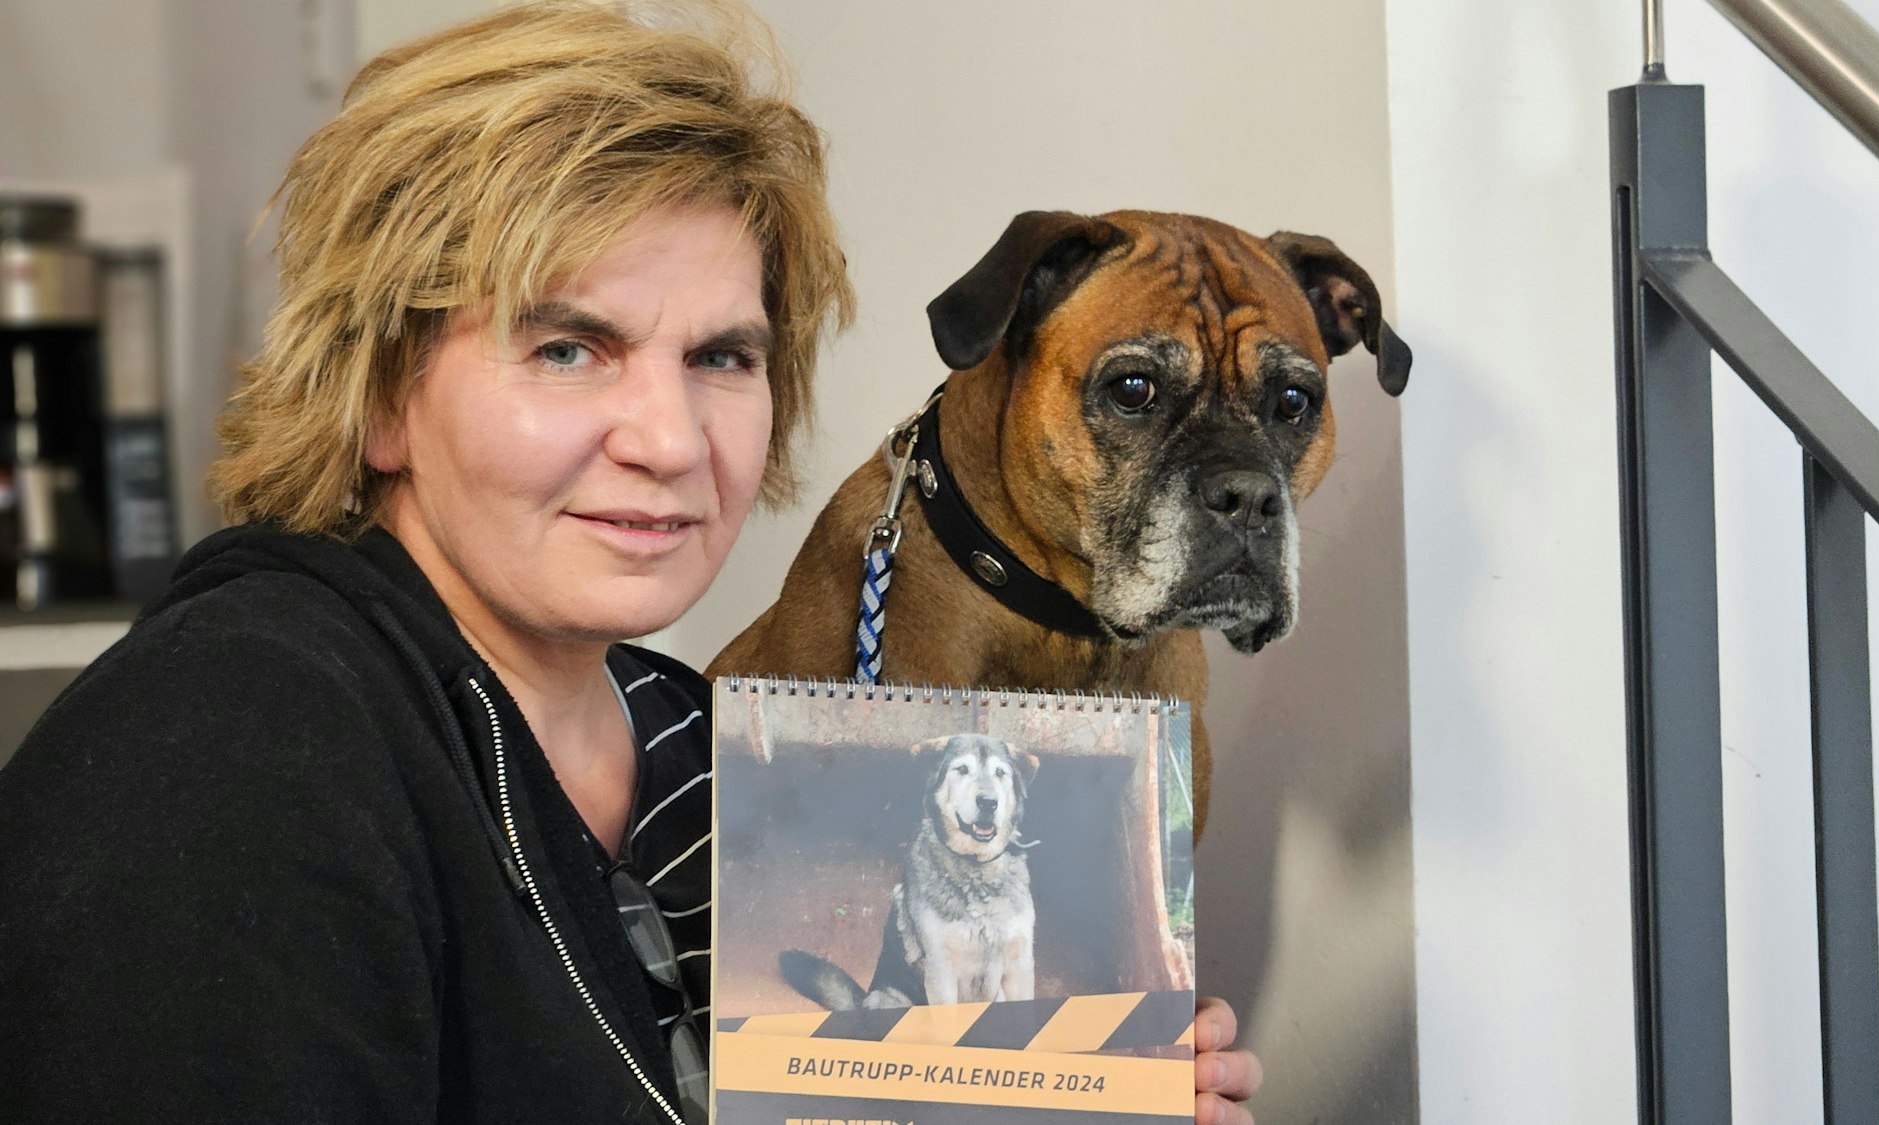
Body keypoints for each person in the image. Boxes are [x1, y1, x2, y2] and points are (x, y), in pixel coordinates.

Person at [0, 2, 1262, 1123]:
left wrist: (1077, 1099)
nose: (668, 441)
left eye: (722, 357)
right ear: (379, 397)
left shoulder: (711, 745)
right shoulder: (227, 749)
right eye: (567, 347)